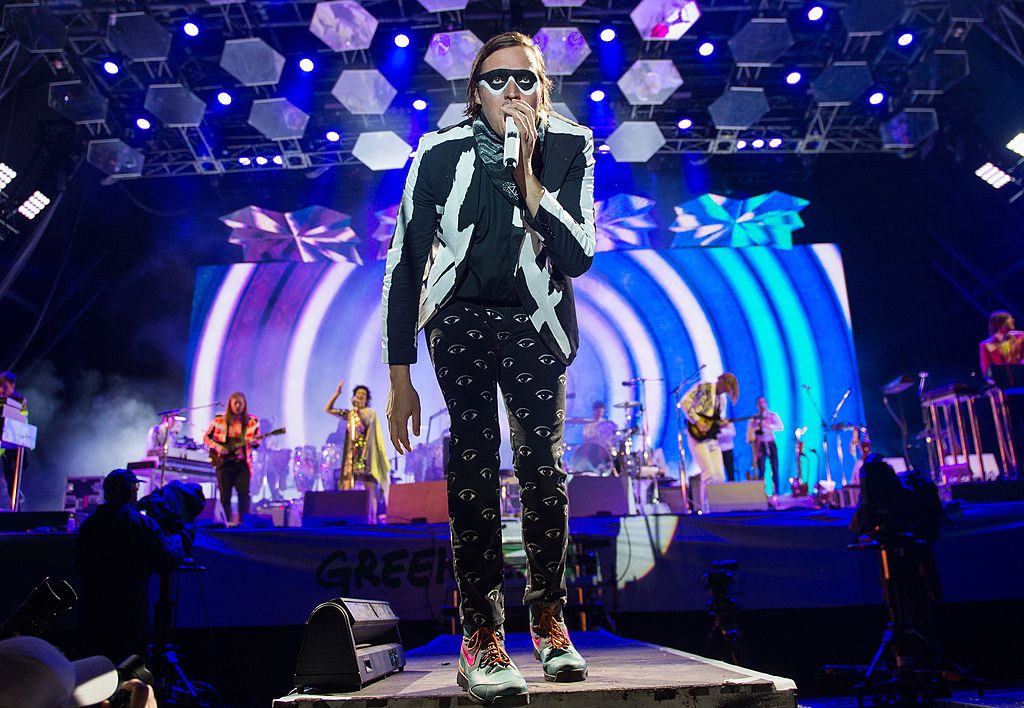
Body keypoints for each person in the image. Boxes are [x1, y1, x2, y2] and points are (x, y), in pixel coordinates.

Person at [382, 31, 593, 706]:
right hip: (461, 317)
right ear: (475, 93)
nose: (512, 90)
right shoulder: (438, 152)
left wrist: (528, 174)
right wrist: (399, 377)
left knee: (543, 470)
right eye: (496, 79)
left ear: (543, 90)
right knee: (473, 463)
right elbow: (404, 262)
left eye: (525, 78)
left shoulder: (571, 145)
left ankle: (549, 621)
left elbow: (578, 253)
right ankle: (481, 635)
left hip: (537, 319)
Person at [74, 469, 188, 663]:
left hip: (92, 616)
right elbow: (168, 559)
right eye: (135, 489)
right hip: (131, 616)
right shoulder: (142, 524)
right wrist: (179, 537)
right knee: (131, 673)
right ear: (128, 492)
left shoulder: (88, 525)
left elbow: (79, 565)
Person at [324, 379, 390, 522]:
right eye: (358, 393)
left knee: (370, 489)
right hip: (352, 457)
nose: (360, 396)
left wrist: (357, 410)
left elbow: (365, 425)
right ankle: (351, 519)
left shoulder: (370, 413)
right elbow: (328, 409)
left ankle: (372, 521)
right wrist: (337, 394)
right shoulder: (350, 414)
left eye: (363, 394)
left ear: (367, 399)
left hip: (366, 457)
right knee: (349, 490)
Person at [681, 373, 739, 513]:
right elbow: (684, 402)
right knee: (708, 474)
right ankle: (706, 510)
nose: (724, 390)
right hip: (697, 436)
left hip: (712, 438)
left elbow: (714, 419)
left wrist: (721, 423)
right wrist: (697, 421)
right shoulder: (704, 387)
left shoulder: (722, 400)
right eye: (725, 386)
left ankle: (716, 508)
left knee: (719, 475)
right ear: (720, 380)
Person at [203, 392, 260, 525]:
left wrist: (254, 441)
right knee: (225, 496)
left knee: (244, 495)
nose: (238, 406)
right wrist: (218, 447)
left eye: (240, 403)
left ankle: (244, 524)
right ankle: (225, 523)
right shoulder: (219, 421)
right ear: (230, 405)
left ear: (244, 405)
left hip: (242, 464)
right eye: (236, 403)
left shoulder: (252, 422)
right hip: (224, 464)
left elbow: (257, 442)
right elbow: (206, 438)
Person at [746, 396, 785, 500]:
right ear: (757, 405)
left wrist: (768, 425)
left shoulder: (772, 415)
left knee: (775, 467)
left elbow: (780, 426)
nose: (762, 405)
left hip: (770, 442)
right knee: (761, 468)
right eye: (760, 403)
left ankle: (777, 492)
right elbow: (750, 432)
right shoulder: (754, 418)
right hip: (760, 444)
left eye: (763, 402)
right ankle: (761, 493)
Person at [0, 371, 28, 506]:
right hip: (3, 444)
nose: (1, 389)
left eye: (4, 386)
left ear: (12, 385)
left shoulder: (19, 400)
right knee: (6, 477)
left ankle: (16, 506)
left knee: (12, 478)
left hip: (13, 445)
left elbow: (22, 421)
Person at [979, 310, 1024, 378]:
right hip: (1001, 381)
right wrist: (995, 380)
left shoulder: (1020, 337)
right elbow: (986, 369)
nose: (1013, 320)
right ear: (1001, 323)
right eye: (1009, 318)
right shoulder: (986, 345)